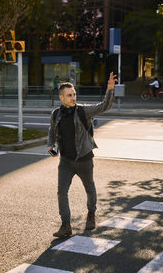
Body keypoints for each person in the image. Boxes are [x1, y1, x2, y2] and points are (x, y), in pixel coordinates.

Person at [47, 72, 117, 238]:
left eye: (74, 94)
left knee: (89, 188)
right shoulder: (56, 114)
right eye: (69, 95)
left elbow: (104, 106)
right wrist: (50, 144)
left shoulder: (83, 111)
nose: (73, 98)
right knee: (61, 192)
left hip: (85, 159)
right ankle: (66, 225)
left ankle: (91, 214)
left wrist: (110, 90)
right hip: (65, 161)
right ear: (61, 97)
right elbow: (52, 130)